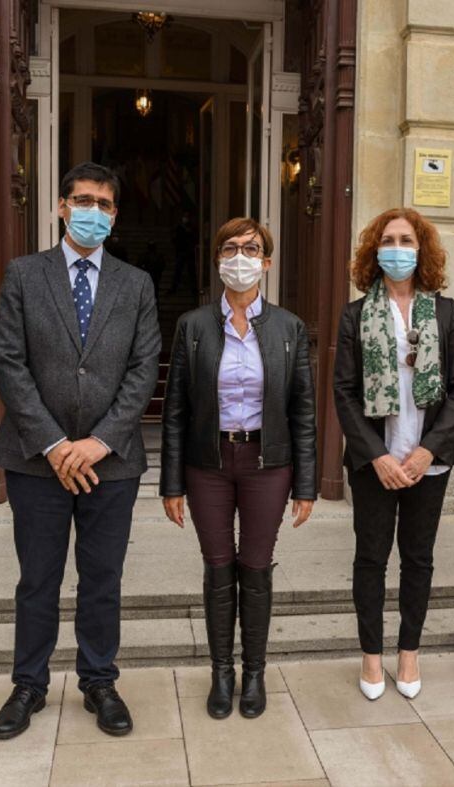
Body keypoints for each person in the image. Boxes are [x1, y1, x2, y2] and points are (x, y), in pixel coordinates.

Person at [0, 162, 161, 738]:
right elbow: (8, 363)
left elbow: (143, 370)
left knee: (101, 577)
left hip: (111, 463)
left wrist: (98, 442)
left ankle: (99, 680)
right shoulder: (22, 274)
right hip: (35, 459)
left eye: (105, 204)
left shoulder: (135, 284)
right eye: (83, 200)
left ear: (115, 215)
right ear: (62, 206)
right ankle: (28, 685)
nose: (94, 211)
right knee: (37, 578)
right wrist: (57, 444)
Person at [160, 217, 316, 720]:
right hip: (209, 464)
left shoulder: (289, 328)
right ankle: (221, 672)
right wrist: (171, 482)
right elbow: (175, 408)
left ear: (266, 263)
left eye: (252, 248)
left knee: (255, 565)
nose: (241, 257)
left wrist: (307, 483)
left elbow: (304, 411)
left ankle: (254, 672)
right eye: (230, 248)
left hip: (268, 465)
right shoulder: (194, 326)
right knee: (218, 566)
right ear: (217, 259)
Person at [333, 207, 454, 701]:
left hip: (426, 462)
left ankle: (408, 652)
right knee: (371, 558)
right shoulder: (356, 315)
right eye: (388, 240)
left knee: (419, 558)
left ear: (422, 250)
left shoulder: (447, 313)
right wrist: (378, 456)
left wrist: (426, 451)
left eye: (406, 240)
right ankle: (371, 656)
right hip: (377, 463)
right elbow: (344, 392)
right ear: (375, 251)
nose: (397, 248)